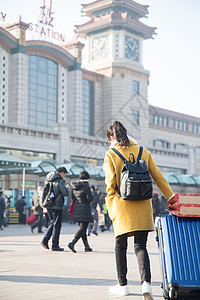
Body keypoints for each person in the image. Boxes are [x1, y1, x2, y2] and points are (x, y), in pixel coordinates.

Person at [104, 121, 175, 299]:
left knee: (120, 247)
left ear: (112, 137)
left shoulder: (111, 154)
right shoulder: (143, 151)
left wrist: (112, 211)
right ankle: (146, 285)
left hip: (122, 207)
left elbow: (110, 186)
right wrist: (171, 196)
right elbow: (158, 176)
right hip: (143, 205)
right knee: (140, 246)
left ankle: (123, 285)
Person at [40, 166, 68, 251]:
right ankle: (55, 245)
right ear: (62, 173)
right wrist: (67, 188)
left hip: (48, 204)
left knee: (53, 222)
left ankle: (45, 240)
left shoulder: (48, 179)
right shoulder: (60, 180)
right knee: (57, 225)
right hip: (57, 205)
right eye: (64, 174)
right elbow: (65, 192)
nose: (64, 176)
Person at [68, 171, 93, 253]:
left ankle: (87, 246)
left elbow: (72, 198)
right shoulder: (86, 186)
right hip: (84, 209)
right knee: (83, 229)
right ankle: (72, 243)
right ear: (87, 178)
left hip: (77, 209)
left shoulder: (74, 186)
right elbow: (90, 199)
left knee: (83, 229)